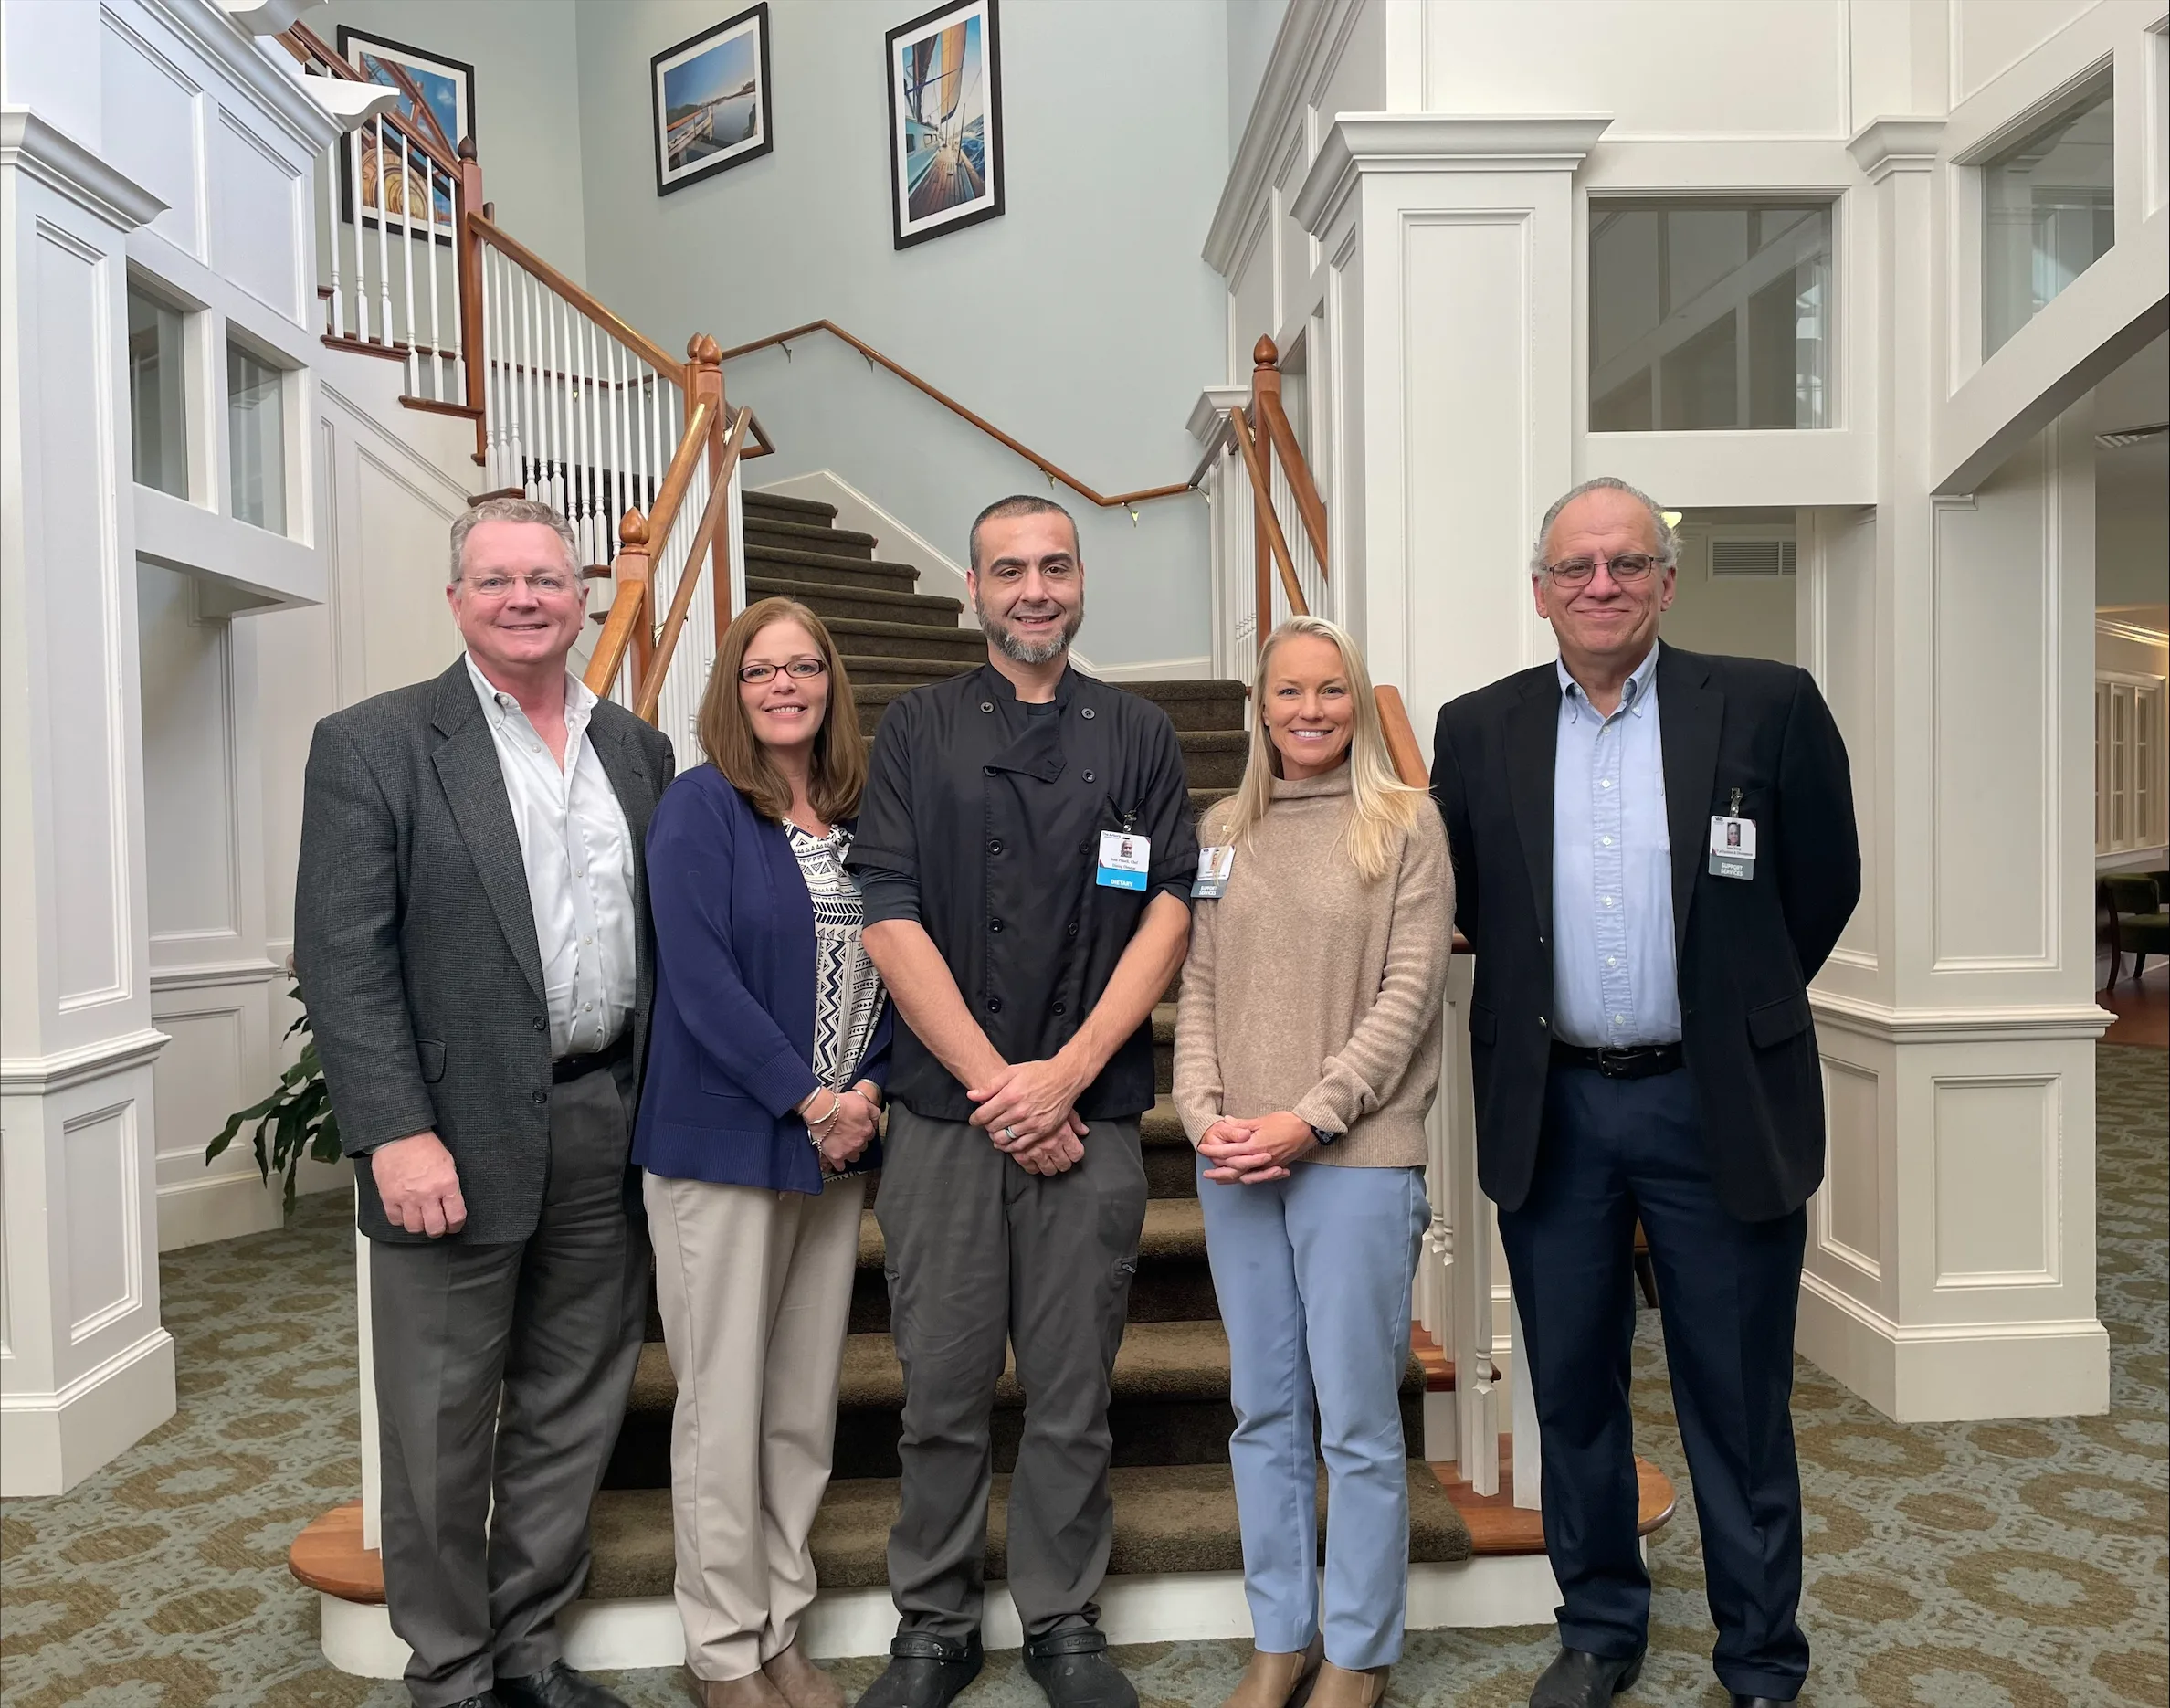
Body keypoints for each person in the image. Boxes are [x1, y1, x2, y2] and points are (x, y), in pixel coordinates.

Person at [1430, 477, 1859, 1708]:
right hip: (1554, 1106)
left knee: (1736, 1395)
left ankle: (1762, 1655)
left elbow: (1821, 883)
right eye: (1578, 568)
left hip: (1713, 1100)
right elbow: (1457, 901)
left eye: (1628, 564)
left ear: (1668, 580)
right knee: (1571, 1384)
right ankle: (1603, 1623)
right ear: (1541, 591)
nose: (1603, 585)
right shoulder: (1477, 727)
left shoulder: (1767, 704)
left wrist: (1730, 1004)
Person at [296, 497, 676, 1708]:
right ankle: (451, 1672)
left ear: (582, 597)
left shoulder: (638, 749)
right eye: (497, 578)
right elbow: (344, 959)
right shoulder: (375, 743)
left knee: (575, 1402)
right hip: (446, 1138)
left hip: (605, 1119)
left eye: (548, 578)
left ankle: (525, 1651)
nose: (525, 597)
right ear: (456, 597)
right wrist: (393, 1129)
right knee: (439, 1427)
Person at [846, 495, 1197, 1708]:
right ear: (974, 589)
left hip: (1089, 1116)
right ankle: (933, 1623)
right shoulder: (917, 726)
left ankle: (1063, 1618)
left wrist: (1064, 1077)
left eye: (1055, 565)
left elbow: (1167, 911)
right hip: (947, 1121)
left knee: (1071, 1391)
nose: (1034, 589)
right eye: (1010, 570)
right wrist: (1003, 1087)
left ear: (1081, 577)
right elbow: (886, 910)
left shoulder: (1142, 732)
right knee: (939, 1388)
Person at [1174, 617, 1451, 1708]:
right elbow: (1198, 987)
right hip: (1236, 1159)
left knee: (1358, 1420)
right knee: (1263, 1409)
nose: (1309, 711)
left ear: (1357, 697)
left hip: (1357, 1158)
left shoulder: (1404, 825)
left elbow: (1408, 997)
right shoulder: (1224, 828)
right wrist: (1202, 1113)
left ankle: (1359, 1651)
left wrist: (1312, 1116)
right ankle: (1280, 1636)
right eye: (1287, 692)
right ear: (1260, 706)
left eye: (1330, 691)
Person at [635, 598, 892, 1708]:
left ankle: (782, 1620)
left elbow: (901, 958)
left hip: (834, 1157)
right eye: (760, 671)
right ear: (731, 691)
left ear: (831, 683)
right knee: (722, 1406)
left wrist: (869, 1088)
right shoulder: (699, 809)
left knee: (798, 1405)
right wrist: (809, 1096)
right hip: (725, 1148)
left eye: (803, 668)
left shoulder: (858, 816)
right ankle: (723, 1649)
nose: (784, 685)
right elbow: (700, 982)